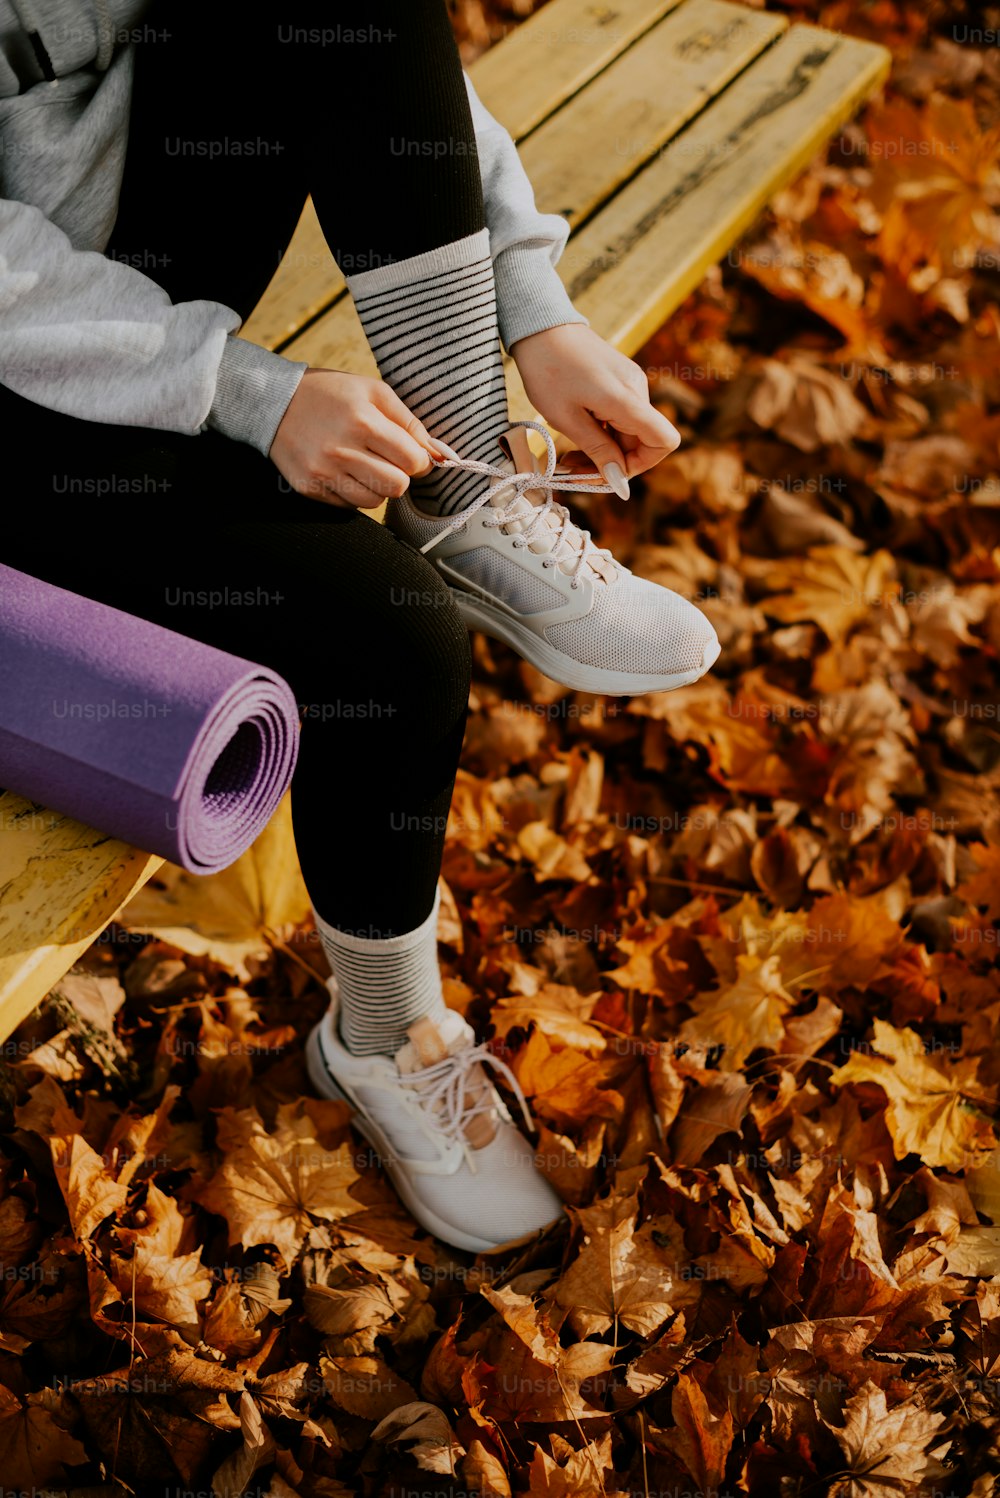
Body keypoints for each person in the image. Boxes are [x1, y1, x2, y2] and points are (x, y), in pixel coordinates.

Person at [0, 0, 719, 1252]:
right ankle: (383, 1036)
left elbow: (392, 68)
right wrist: (250, 392)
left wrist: (534, 307)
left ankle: (463, 486)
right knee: (392, 637)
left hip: (138, 285)